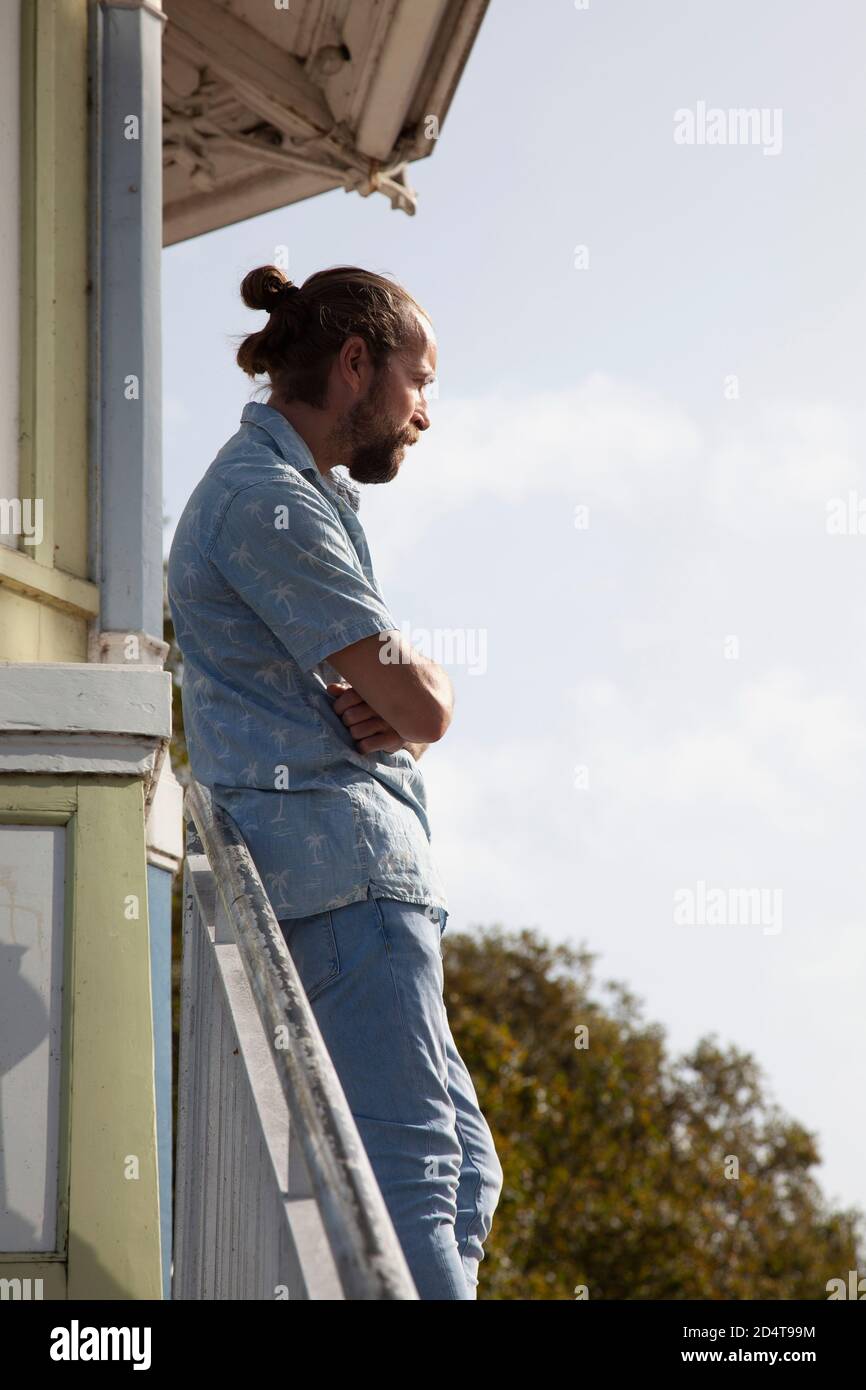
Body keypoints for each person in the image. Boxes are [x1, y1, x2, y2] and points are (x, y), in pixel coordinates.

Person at [167, 264, 503, 1299]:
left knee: (464, 1173)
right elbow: (423, 708)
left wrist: (403, 702)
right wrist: (412, 701)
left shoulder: (294, 488)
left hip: (358, 888)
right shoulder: (264, 501)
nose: (424, 414)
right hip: (345, 891)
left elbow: (404, 705)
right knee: (411, 1186)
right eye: (419, 380)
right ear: (356, 364)